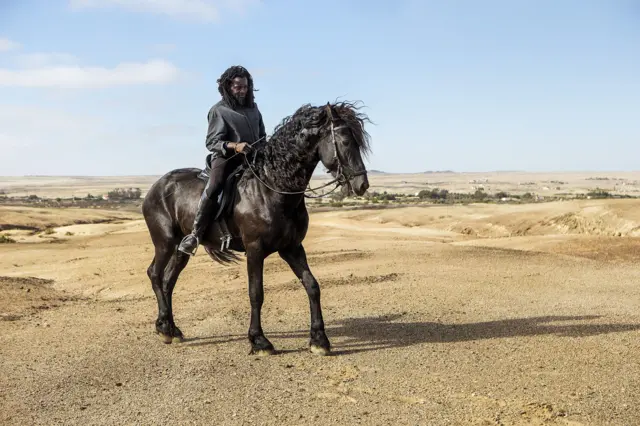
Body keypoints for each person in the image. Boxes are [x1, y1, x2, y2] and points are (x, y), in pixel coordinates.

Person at [178, 65, 267, 256]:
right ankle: (196, 234)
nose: (242, 91)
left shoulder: (253, 108)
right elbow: (212, 142)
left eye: (245, 87)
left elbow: (262, 135)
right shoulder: (218, 111)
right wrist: (236, 146)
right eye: (238, 87)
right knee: (215, 184)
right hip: (227, 158)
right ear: (228, 87)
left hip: (253, 158)